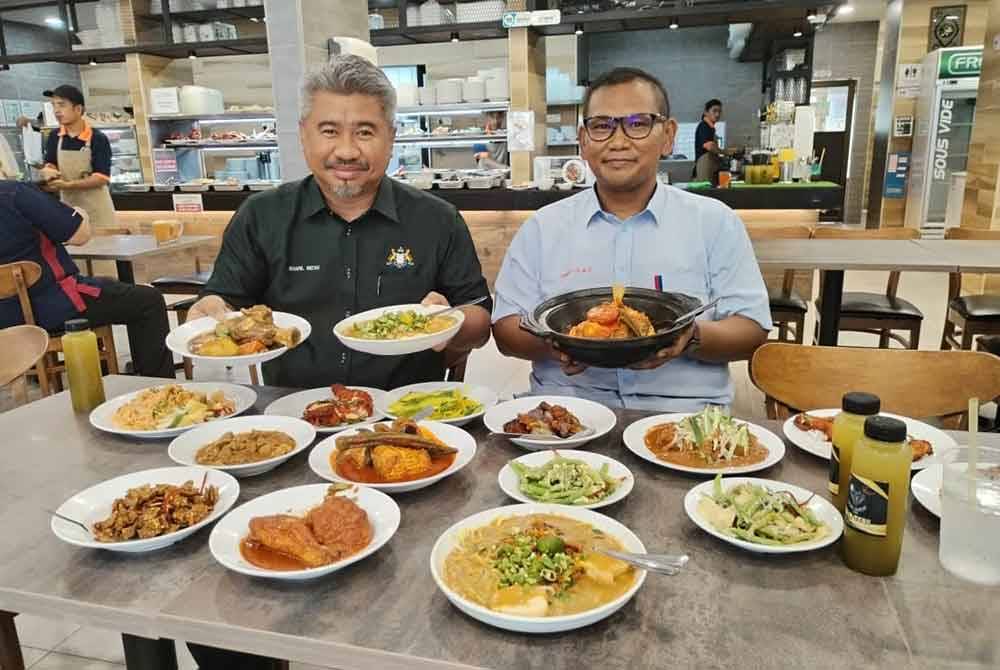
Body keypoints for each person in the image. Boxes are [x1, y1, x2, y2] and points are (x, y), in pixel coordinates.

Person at [182, 51, 492, 670]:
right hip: (289, 435)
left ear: (390, 136)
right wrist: (207, 315)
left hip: (412, 438)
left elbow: (480, 323)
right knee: (224, 622)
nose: (346, 150)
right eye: (329, 130)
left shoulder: (436, 220)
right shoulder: (263, 217)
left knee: (424, 614)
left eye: (365, 130)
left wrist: (452, 325)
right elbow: (225, 302)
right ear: (303, 135)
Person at [491, 68, 771, 412]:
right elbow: (505, 329)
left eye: (638, 123)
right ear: (583, 139)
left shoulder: (714, 222)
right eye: (601, 125)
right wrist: (561, 344)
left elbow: (753, 330)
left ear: (668, 135)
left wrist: (690, 338)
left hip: (683, 416)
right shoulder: (543, 228)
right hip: (569, 415)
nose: (618, 141)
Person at [0, 176, 174, 378]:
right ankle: (154, 386)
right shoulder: (14, 193)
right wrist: (81, 214)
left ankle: (102, 372)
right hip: (54, 308)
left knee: (107, 287)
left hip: (6, 321)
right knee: (148, 301)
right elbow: (79, 236)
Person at [37, 85, 117, 229]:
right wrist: (49, 172)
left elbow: (101, 178)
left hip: (98, 214)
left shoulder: (97, 138)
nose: (56, 111)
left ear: (78, 109)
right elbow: (51, 163)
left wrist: (69, 185)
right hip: (69, 211)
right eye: (53, 105)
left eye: (62, 105)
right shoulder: (55, 137)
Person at [693, 98, 724, 183]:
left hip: (710, 169)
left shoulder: (711, 129)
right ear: (706, 112)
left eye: (719, 111)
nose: (717, 114)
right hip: (703, 170)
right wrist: (725, 152)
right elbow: (709, 146)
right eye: (714, 111)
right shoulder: (704, 126)